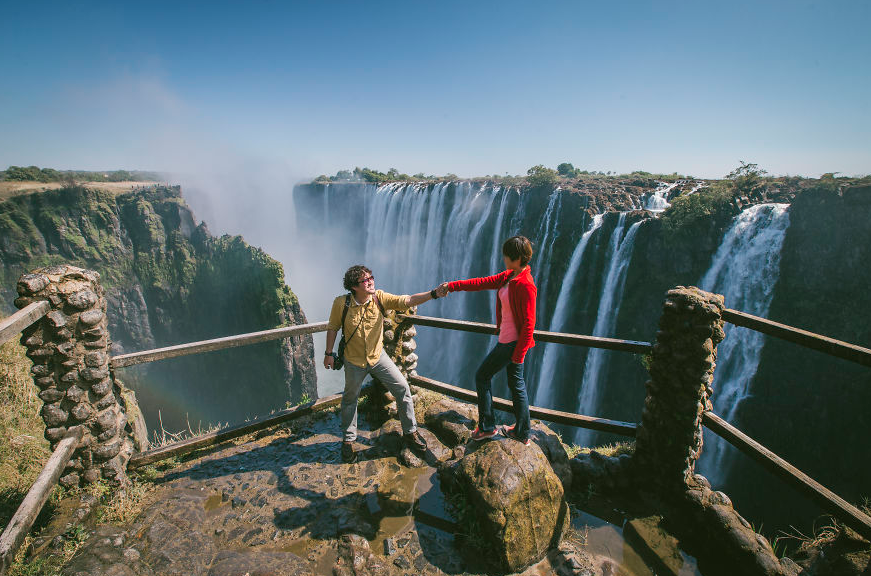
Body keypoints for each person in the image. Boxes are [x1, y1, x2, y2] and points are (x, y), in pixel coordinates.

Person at [325, 265, 445, 463]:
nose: (371, 281)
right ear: (354, 286)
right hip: (353, 361)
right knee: (349, 399)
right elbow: (333, 328)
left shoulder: (379, 298)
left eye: (371, 277)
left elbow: (406, 300)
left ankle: (410, 432)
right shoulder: (341, 303)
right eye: (366, 280)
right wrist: (328, 353)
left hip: (378, 357)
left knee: (402, 388)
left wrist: (434, 294)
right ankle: (348, 442)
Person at [444, 236, 536, 445]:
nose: (503, 257)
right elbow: (482, 283)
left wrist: (518, 355)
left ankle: (487, 427)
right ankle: (522, 431)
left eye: (507, 255)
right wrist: (452, 286)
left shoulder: (525, 285)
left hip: (511, 344)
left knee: (482, 376)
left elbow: (530, 324)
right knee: (516, 385)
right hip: (508, 341)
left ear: (517, 258)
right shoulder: (509, 276)